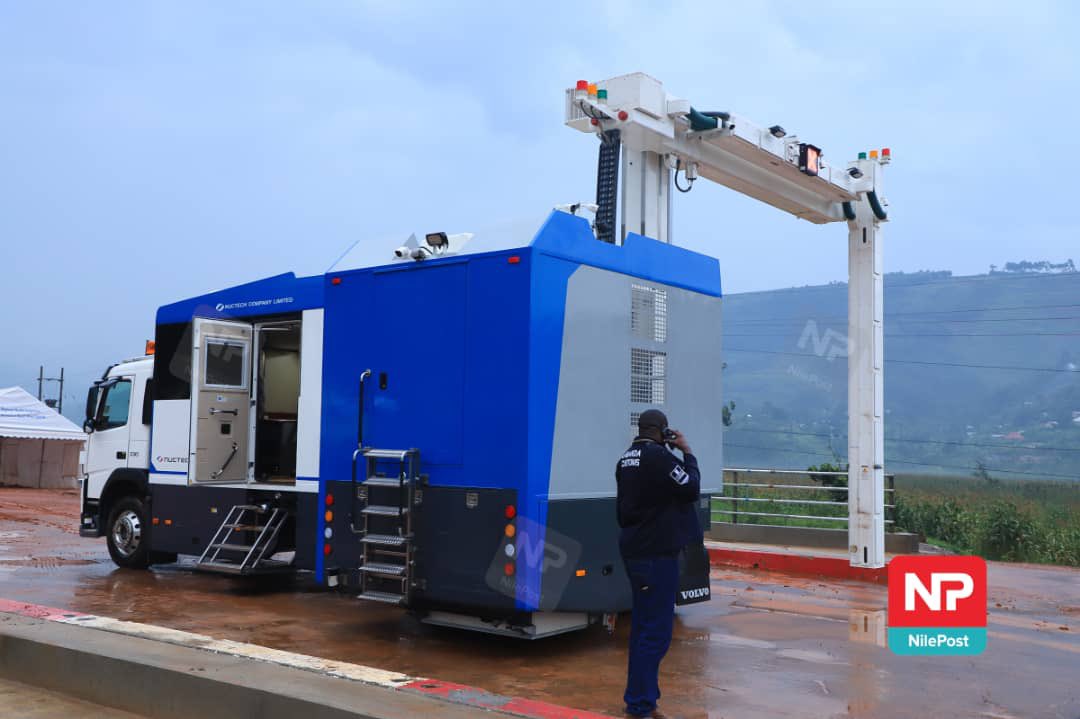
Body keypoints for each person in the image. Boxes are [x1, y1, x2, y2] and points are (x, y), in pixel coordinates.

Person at [615, 408, 702, 718]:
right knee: (656, 633)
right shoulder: (659, 457)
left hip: (635, 551)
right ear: (662, 431)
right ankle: (640, 705)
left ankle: (642, 700)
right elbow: (690, 487)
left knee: (643, 629)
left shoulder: (625, 459)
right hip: (656, 556)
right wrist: (686, 452)